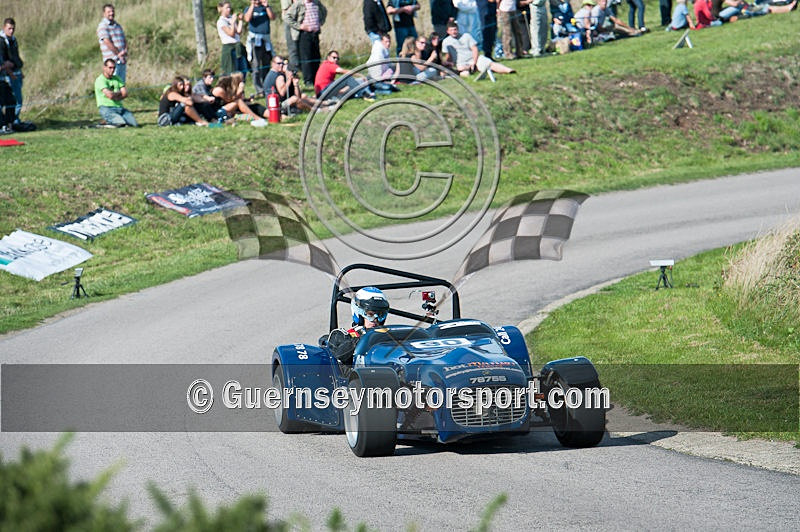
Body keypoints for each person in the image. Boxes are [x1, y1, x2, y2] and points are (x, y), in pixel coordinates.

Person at [324, 287, 390, 365]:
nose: (375, 319)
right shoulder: (343, 336)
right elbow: (340, 355)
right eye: (370, 314)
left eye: (380, 314)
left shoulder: (388, 335)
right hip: (358, 375)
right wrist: (362, 338)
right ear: (358, 313)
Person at [442, 19, 515, 79]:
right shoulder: (446, 42)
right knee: (464, 73)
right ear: (447, 32)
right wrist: (449, 65)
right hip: (461, 64)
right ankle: (474, 70)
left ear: (458, 29)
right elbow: (448, 56)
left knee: (489, 63)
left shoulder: (466, 36)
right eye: (451, 30)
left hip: (473, 59)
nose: (453, 32)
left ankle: (508, 70)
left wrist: (474, 62)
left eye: (455, 30)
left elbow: (474, 49)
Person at [286, 0, 327, 87]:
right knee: (306, 58)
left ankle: (316, 78)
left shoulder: (316, 3)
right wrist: (299, 26)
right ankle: (308, 80)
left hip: (315, 34)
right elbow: (287, 17)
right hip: (304, 34)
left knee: (316, 56)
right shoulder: (299, 4)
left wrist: (320, 22)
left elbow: (324, 11)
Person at [244, 0, 276, 96]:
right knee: (256, 65)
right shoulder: (249, 8)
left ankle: (267, 85)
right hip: (255, 39)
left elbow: (272, 17)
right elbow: (247, 18)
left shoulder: (265, 8)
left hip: (265, 39)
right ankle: (259, 89)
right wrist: (252, 5)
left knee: (266, 63)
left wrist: (267, 6)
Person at [0, 19, 28, 128]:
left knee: (15, 100)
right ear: (4, 28)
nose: (11, 31)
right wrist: (11, 74)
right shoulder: (1, 42)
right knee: (15, 101)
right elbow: (4, 62)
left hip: (16, 72)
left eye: (13, 29)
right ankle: (12, 122)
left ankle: (11, 122)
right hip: (8, 76)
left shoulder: (13, 40)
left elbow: (15, 57)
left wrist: (20, 71)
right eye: (9, 28)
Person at [95, 58, 137, 127]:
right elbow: (110, 95)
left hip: (119, 107)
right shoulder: (100, 80)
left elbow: (125, 93)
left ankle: (109, 121)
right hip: (107, 108)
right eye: (110, 68)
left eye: (114, 68)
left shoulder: (117, 78)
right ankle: (105, 124)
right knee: (120, 123)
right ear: (104, 68)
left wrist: (115, 95)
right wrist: (118, 93)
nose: (112, 70)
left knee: (134, 124)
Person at [97, 4, 128, 83]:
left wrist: (125, 50)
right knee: (113, 84)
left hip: (122, 60)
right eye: (109, 12)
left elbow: (124, 39)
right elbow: (107, 41)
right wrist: (118, 54)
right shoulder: (103, 26)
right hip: (112, 61)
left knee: (121, 84)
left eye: (112, 11)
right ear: (104, 13)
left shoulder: (117, 26)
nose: (111, 13)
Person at [217, 2, 247, 77]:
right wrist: (233, 23)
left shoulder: (230, 18)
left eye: (229, 7)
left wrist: (240, 20)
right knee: (233, 72)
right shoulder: (221, 22)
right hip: (229, 48)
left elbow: (238, 32)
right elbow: (231, 34)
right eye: (227, 8)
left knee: (243, 70)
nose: (229, 9)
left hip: (237, 46)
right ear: (221, 9)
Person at [281, 0, 301, 71]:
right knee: (293, 48)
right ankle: (294, 71)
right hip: (291, 20)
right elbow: (286, 9)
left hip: (301, 19)